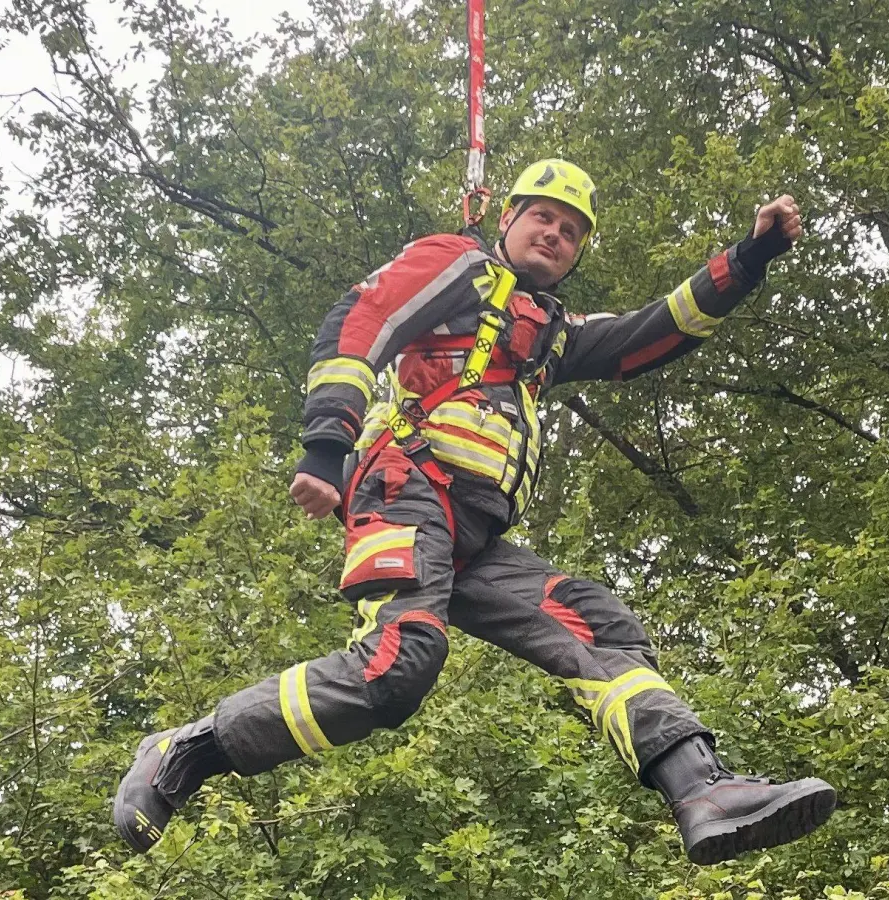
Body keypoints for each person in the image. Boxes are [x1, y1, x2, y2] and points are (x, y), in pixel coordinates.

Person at [114, 159, 836, 865]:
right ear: (507, 217)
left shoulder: (549, 333)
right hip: (404, 488)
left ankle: (700, 789)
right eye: (542, 218)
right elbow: (364, 316)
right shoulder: (458, 265)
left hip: (474, 537)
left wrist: (749, 257)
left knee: (597, 620)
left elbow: (652, 333)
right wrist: (326, 443)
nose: (553, 235)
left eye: (571, 231)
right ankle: (191, 749)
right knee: (399, 665)